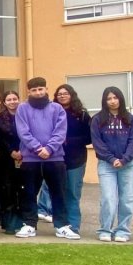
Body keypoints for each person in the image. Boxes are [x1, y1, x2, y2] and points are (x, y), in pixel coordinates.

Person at [14, 77, 79, 240]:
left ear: (46, 89)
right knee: (28, 193)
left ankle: (62, 226)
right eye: (34, 90)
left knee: (59, 193)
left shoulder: (57, 108)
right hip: (30, 159)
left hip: (54, 158)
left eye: (40, 89)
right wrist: (37, 148)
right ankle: (29, 224)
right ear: (29, 91)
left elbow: (60, 132)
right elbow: (23, 132)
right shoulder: (22, 109)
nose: (38, 92)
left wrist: (49, 148)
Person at [91, 87, 133, 242]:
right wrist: (111, 159)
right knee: (108, 198)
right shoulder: (98, 119)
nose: (112, 101)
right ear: (105, 101)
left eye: (115, 97)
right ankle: (105, 229)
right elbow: (97, 143)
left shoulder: (131, 119)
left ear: (120, 99)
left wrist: (125, 159)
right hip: (107, 165)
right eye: (109, 98)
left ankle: (122, 231)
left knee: (127, 199)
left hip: (128, 165)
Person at [53, 84, 92, 235]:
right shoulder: (52, 112)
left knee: (73, 193)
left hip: (76, 159)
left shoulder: (81, 114)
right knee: (57, 192)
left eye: (65, 93)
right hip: (56, 158)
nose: (62, 96)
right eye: (59, 94)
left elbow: (89, 137)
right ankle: (60, 224)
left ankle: (73, 225)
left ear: (72, 95)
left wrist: (69, 140)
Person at [0, 91, 23, 234]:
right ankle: (9, 224)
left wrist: (22, 151)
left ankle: (24, 222)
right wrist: (11, 151)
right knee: (8, 191)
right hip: (5, 160)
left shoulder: (25, 116)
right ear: (4, 102)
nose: (12, 102)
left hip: (26, 156)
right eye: (9, 100)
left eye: (14, 99)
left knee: (23, 190)